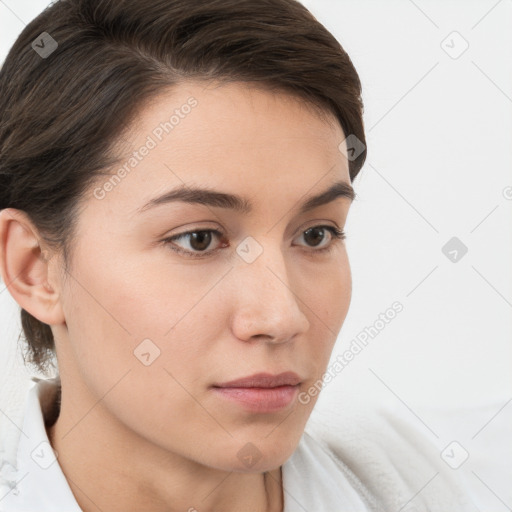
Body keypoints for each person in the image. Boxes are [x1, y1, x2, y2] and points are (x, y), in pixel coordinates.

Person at [0, 1, 477, 511]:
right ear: (36, 269)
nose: (282, 317)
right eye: (198, 239)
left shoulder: (457, 485)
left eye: (316, 235)